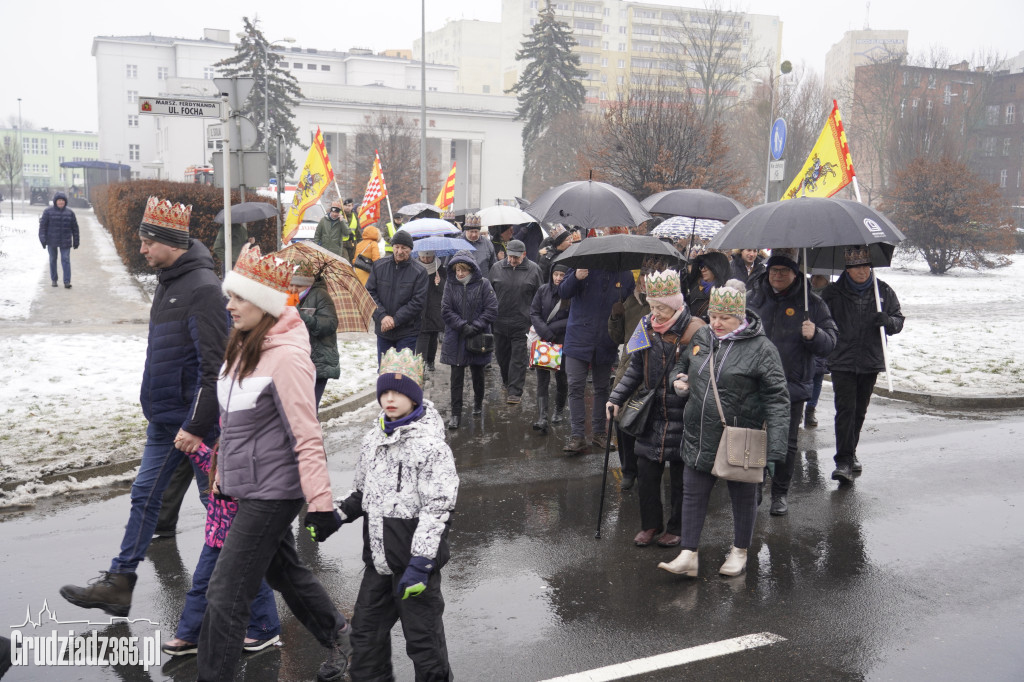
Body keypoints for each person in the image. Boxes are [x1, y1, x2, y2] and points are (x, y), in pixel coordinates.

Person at [60, 197, 227, 617]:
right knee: (143, 497)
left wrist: (195, 424)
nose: (141, 249)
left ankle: (261, 598)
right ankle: (119, 583)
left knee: (222, 512)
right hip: (164, 420)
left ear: (170, 242)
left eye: (147, 242)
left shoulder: (204, 289)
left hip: (196, 427)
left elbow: (216, 370)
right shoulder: (170, 281)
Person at [198, 246, 351, 682]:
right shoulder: (245, 346)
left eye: (238, 298)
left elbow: (307, 433)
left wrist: (320, 504)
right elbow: (235, 423)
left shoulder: (287, 357)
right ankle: (345, 637)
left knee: (225, 594)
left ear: (263, 305)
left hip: (275, 491)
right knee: (283, 570)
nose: (228, 306)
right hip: (250, 486)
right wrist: (224, 474)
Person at [333, 348, 459, 682]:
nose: (390, 399)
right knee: (365, 639)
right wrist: (336, 514)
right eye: (384, 392)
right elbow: (362, 491)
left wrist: (421, 564)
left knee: (424, 645)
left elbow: (438, 510)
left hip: (415, 569)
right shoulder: (373, 438)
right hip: (378, 563)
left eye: (399, 392)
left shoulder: (432, 447)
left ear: (414, 397)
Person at [659, 280, 789, 578]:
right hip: (698, 433)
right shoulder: (703, 336)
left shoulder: (761, 349)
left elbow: (778, 398)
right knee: (692, 494)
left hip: (740, 436)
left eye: (724, 318)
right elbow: (683, 363)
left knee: (742, 496)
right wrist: (678, 378)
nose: (715, 323)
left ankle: (740, 551)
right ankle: (688, 554)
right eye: (713, 316)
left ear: (740, 317)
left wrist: (776, 448)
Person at [608, 270, 705, 548]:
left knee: (680, 476)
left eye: (661, 307)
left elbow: (705, 370)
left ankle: (677, 527)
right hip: (650, 411)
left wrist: (689, 380)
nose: (655, 313)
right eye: (652, 306)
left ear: (675, 304)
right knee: (647, 472)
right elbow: (635, 368)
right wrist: (615, 398)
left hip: (683, 412)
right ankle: (650, 525)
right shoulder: (645, 325)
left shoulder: (695, 330)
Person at [161, 442, 282, 657]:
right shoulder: (219, 454)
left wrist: (229, 489)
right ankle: (191, 635)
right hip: (214, 540)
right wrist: (187, 439)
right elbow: (203, 454)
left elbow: (259, 487)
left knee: (254, 583)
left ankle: (266, 630)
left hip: (243, 538)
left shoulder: (251, 458)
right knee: (201, 584)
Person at [747, 250, 838, 516]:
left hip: (792, 383)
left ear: (795, 274)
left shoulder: (812, 304)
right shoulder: (753, 298)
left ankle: (780, 493)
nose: (777, 276)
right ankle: (755, 487)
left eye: (783, 272)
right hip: (755, 381)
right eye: (773, 271)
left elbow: (830, 342)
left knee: (785, 442)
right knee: (755, 437)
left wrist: (815, 334)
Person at [820, 246, 905, 483]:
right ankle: (843, 461)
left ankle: (851, 451)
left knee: (859, 410)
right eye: (857, 267)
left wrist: (888, 321)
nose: (862, 271)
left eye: (866, 266)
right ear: (847, 268)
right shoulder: (833, 293)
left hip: (870, 358)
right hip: (842, 360)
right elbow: (822, 320)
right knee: (845, 410)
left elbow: (899, 320)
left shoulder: (884, 292)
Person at [558, 261, 635, 454]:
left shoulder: (624, 274)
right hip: (578, 338)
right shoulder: (582, 265)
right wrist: (575, 277)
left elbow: (631, 303)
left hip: (605, 340)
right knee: (575, 386)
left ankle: (599, 433)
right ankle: (577, 436)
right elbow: (563, 292)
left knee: (602, 388)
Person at [607, 261, 655, 490]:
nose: (645, 282)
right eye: (642, 278)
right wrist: (615, 317)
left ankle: (646, 468)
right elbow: (618, 338)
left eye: (649, 278)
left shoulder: (661, 304)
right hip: (628, 364)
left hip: (652, 365)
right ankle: (628, 470)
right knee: (622, 418)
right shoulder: (629, 302)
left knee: (645, 420)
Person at [441, 252, 498, 429]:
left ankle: (478, 404)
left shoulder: (483, 284)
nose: (459, 273)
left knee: (478, 374)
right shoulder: (450, 285)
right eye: (457, 269)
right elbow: (445, 309)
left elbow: (492, 308)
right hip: (456, 337)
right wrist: (462, 325)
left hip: (477, 335)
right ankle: (455, 414)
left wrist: (476, 326)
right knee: (456, 377)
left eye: (463, 270)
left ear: (471, 269)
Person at [488, 239, 543, 404]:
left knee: (518, 359)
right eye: (510, 256)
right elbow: (489, 293)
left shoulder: (534, 270)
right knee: (502, 357)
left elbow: (539, 296)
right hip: (499, 322)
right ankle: (506, 381)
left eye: (516, 257)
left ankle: (515, 392)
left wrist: (536, 319)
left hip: (522, 323)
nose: (512, 260)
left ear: (524, 255)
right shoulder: (496, 268)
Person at [365, 230, 429, 364]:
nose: (399, 251)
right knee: (384, 371)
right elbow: (370, 293)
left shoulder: (419, 271)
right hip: (383, 330)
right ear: (392, 247)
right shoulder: (379, 266)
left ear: (410, 249)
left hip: (408, 331)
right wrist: (382, 316)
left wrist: (395, 320)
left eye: (404, 248)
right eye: (397, 247)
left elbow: (418, 302)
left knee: (403, 372)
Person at [528, 263, 571, 433]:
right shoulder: (543, 290)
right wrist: (545, 331)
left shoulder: (571, 294)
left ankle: (559, 411)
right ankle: (542, 416)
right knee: (542, 379)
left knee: (561, 378)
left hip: (563, 341)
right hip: (544, 341)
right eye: (556, 274)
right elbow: (534, 312)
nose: (558, 278)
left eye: (562, 275)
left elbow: (573, 317)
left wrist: (553, 329)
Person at [291, 266, 341, 411]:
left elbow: (330, 324)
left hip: (317, 361)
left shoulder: (321, 295)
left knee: (309, 410)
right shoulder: (287, 297)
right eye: (291, 284)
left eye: (298, 286)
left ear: (308, 284)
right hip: (296, 362)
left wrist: (305, 317)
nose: (293, 288)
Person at [804, 274, 832, 428]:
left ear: (826, 281)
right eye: (813, 277)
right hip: (806, 339)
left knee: (817, 378)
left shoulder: (830, 297)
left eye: (819, 278)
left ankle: (810, 409)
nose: (814, 280)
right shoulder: (806, 295)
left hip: (821, 342)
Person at [38, 191, 80, 289]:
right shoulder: (48, 212)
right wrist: (43, 240)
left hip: (65, 240)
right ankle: (54, 279)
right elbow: (43, 227)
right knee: (53, 259)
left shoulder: (70, 213)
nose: (61, 202)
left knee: (65, 259)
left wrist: (76, 241)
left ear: (65, 202)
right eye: (59, 200)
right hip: (51, 240)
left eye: (62, 201)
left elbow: (75, 228)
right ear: (55, 201)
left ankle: (67, 281)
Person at [416, 250, 447, 371]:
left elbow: (446, 290)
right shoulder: (415, 268)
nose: (426, 260)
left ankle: (430, 360)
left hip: (435, 307)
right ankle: (420, 363)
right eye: (423, 257)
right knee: (422, 334)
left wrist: (440, 283)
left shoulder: (439, 268)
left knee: (433, 334)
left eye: (428, 258)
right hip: (421, 307)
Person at [686, 251, 731, 321]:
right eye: (701, 266)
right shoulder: (693, 287)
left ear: (717, 268)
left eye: (707, 266)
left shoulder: (726, 294)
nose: (703, 270)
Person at [340, 198, 361, 262]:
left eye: (349, 206)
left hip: (352, 243)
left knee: (353, 262)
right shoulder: (339, 215)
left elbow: (357, 231)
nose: (347, 207)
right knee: (346, 262)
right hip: (342, 243)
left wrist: (360, 242)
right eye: (345, 205)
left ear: (352, 206)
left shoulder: (354, 216)